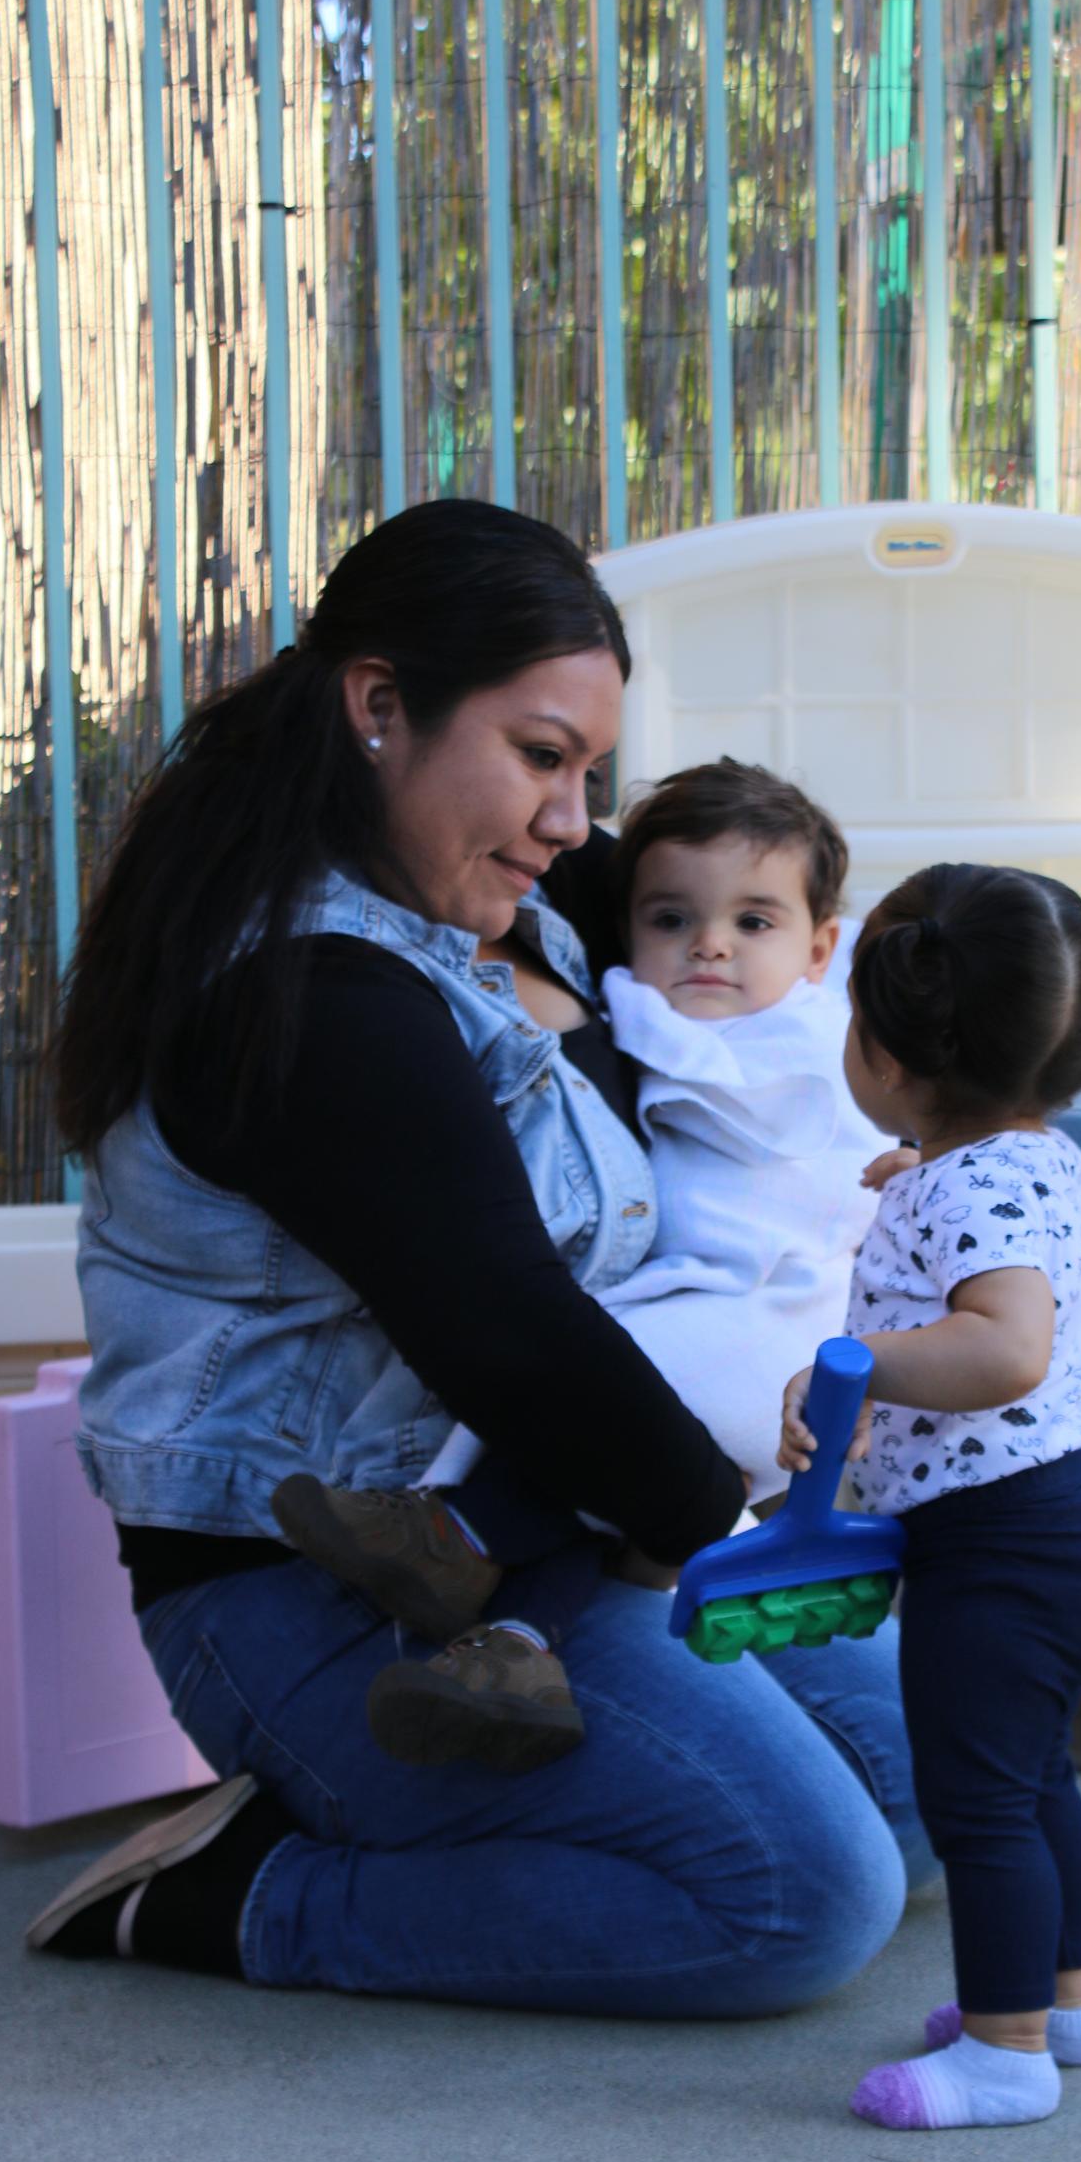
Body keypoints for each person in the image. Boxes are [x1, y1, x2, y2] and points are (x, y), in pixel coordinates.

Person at [24, 498, 929, 2011]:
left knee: (925, 1787)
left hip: (545, 1539)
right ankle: (250, 1890)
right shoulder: (309, 993)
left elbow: (742, 884)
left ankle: (383, 1811)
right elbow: (508, 1331)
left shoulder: (523, 899)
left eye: (589, 771)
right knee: (805, 1904)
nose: (576, 821)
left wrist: (982, 1104)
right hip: (320, 1585)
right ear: (380, 707)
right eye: (540, 756)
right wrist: (740, 1531)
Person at [273, 759, 883, 1773]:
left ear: (820, 947)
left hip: (759, 1325)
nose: (710, 947)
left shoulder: (761, 1039)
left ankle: (457, 1532)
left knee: (582, 1388)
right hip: (735, 1343)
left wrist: (620, 988)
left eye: (754, 923)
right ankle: (513, 1647)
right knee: (582, 1490)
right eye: (671, 919)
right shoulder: (789, 1018)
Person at [778, 863, 1081, 2128]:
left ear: (887, 1054)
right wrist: (921, 1185)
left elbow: (1006, 1349)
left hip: (1001, 1551)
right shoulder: (1019, 1161)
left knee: (979, 1799)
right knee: (1037, 1779)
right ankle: (1062, 2003)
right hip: (1063, 1530)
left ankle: (1004, 2055)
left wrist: (856, 1364)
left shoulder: (968, 1185)